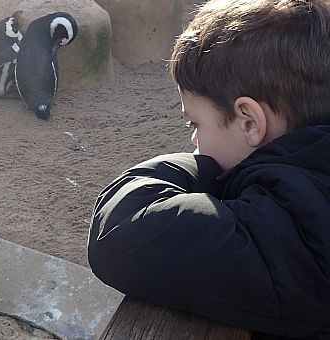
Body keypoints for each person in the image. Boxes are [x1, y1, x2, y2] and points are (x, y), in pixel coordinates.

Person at [87, 0, 330, 338]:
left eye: (196, 123)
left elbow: (121, 231)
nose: (193, 140)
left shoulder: (291, 232)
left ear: (249, 122)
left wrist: (206, 168)